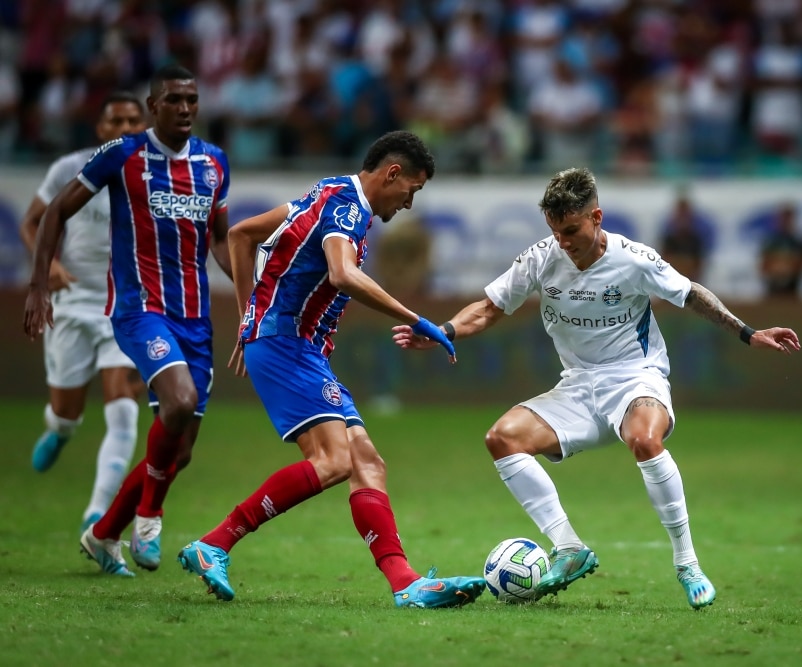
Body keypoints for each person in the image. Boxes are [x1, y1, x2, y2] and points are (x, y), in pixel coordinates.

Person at [393, 167, 801, 610]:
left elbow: (691, 294)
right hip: (578, 387)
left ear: (597, 217)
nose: (563, 242)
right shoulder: (541, 257)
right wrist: (444, 330)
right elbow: (489, 309)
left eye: (571, 230)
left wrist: (748, 332)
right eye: (555, 231)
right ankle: (569, 548)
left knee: (645, 441)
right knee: (502, 438)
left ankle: (687, 563)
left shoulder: (633, 259)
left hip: (635, 377)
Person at [176, 130, 487, 608]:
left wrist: (246, 319)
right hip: (287, 345)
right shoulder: (349, 208)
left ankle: (405, 583)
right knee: (335, 462)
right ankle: (214, 543)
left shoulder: (325, 190)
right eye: (413, 190)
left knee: (367, 462)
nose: (408, 203)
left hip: (295, 346)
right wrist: (415, 317)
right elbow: (342, 273)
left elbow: (241, 235)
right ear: (392, 173)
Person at [23, 64, 233, 577]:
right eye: (174, 100)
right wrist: (38, 283)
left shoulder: (214, 162)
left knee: (178, 452)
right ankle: (149, 515)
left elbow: (221, 239)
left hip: (194, 316)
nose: (185, 108)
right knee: (177, 402)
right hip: (139, 309)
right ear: (154, 105)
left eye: (192, 100)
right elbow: (54, 213)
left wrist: (251, 295)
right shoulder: (124, 155)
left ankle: (101, 534)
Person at [19, 91, 146, 535]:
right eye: (117, 121)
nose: (127, 129)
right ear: (101, 129)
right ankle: (60, 428)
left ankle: (98, 513)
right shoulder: (67, 168)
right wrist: (48, 264)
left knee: (123, 404)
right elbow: (33, 221)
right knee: (67, 410)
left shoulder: (156, 174)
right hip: (74, 302)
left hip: (127, 306)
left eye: (135, 120)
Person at [759, 202, 802, 299]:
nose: (785, 221)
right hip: (772, 290)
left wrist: (787, 268)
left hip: (793, 290)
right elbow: (763, 265)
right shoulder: (771, 242)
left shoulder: (799, 242)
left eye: (788, 218)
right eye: (783, 218)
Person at [659, 191, 707, 283]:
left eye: (685, 215)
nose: (683, 219)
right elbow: (663, 263)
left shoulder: (695, 240)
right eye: (680, 215)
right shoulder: (669, 240)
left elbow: (699, 265)